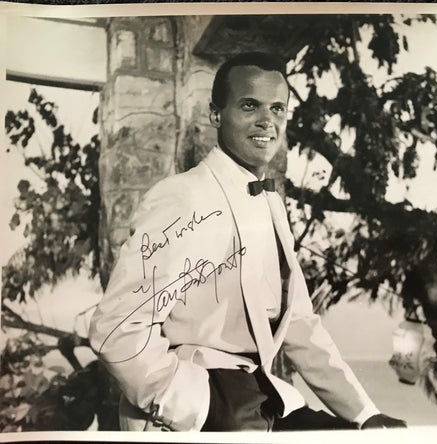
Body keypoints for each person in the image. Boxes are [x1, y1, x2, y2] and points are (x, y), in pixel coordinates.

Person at [89, 52, 407, 432]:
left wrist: (364, 414)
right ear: (216, 114)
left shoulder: (269, 202)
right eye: (249, 106)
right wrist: (201, 404)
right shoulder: (185, 197)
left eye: (278, 108)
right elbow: (116, 328)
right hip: (204, 409)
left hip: (265, 399)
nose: (267, 121)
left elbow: (300, 324)